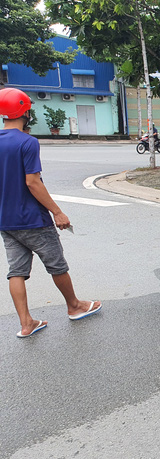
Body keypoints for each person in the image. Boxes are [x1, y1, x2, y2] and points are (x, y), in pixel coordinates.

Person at [0, 87, 101, 338]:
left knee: (16, 271)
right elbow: (33, 182)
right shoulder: (27, 142)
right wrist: (57, 212)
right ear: (25, 111)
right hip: (33, 219)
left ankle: (26, 324)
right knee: (57, 265)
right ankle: (75, 306)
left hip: (6, 221)